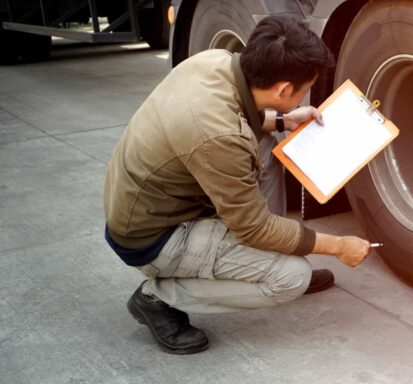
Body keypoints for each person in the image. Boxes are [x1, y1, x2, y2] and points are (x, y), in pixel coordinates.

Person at [103, 15, 371, 355]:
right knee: (291, 277)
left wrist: (283, 119)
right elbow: (254, 229)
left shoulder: (215, 62)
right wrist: (338, 246)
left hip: (147, 204)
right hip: (153, 237)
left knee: (273, 198)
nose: (304, 97)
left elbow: (238, 107)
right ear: (284, 89)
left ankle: (252, 261)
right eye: (304, 91)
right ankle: (156, 297)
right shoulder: (218, 137)